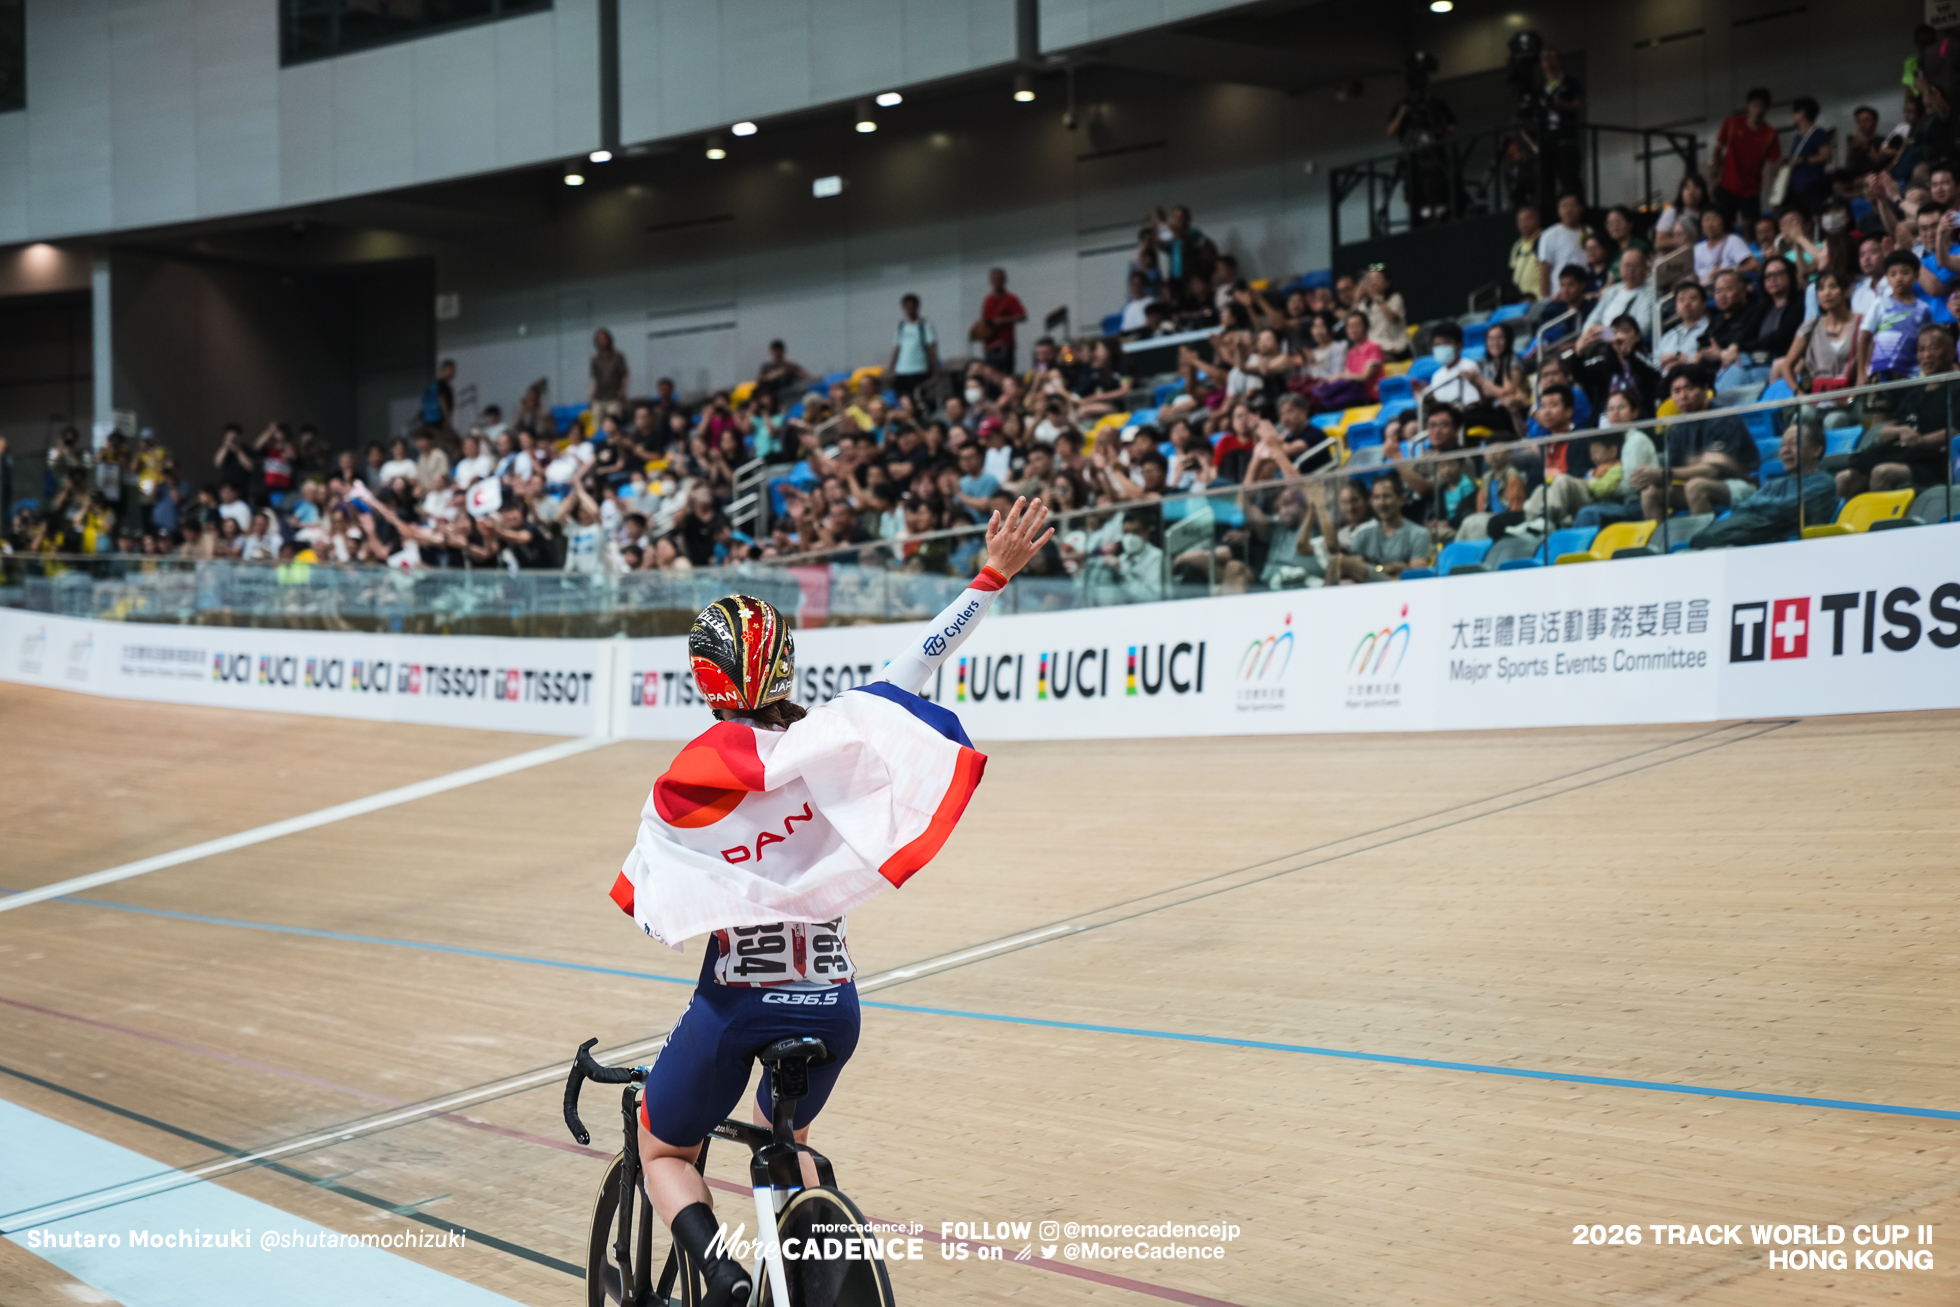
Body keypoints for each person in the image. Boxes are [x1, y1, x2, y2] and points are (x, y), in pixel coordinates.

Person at [614, 500, 1055, 1307]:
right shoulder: (836, 738)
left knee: (663, 1147)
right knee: (792, 1138)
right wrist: (991, 577)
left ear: (704, 682)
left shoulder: (683, 783)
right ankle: (806, 1229)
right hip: (835, 1003)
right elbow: (918, 659)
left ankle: (721, 1279)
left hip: (737, 1003)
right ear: (785, 665)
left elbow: (653, 904)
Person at [1840, 322, 1960, 497]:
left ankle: (1880, 524)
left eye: (1933, 349)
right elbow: (1884, 431)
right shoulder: (1914, 390)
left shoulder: (1956, 387)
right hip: (1905, 453)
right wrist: (1899, 430)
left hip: (1937, 462)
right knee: (1845, 478)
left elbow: (1956, 431)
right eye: (1921, 349)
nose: (1926, 355)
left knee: (1882, 473)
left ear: (1951, 353)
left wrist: (1921, 441)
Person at [1635, 365, 1761, 519]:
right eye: (1676, 391)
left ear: (1705, 388)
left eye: (1689, 388)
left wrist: (1663, 474)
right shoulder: (1679, 426)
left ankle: (1703, 542)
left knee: (1696, 486)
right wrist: (1647, 477)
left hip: (1741, 484)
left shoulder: (1724, 417)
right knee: (1650, 493)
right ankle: (1659, 542)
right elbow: (1672, 466)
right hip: (1696, 483)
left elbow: (1712, 470)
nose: (1683, 396)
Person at [1690, 422, 1835, 548]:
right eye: (1783, 445)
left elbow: (1790, 508)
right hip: (1751, 542)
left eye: (1794, 443)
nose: (1785, 450)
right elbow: (1740, 507)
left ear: (1817, 450)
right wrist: (1774, 511)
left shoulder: (1824, 483)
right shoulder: (1774, 485)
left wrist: (1764, 509)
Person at [1772, 268, 1860, 391]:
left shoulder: (1862, 324)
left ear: (1847, 291)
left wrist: (1855, 396)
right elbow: (1787, 365)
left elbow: (1865, 368)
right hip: (1816, 397)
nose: (1826, 293)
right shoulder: (1810, 326)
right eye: (1821, 288)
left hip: (1848, 395)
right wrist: (1798, 392)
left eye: (1833, 287)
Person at [1856, 250, 1935, 384]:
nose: (1899, 278)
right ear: (1887, 277)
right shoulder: (1879, 304)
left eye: (1905, 272)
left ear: (1916, 275)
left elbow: (1926, 341)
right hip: (1881, 372)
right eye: (1893, 274)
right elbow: (1864, 338)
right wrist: (1861, 373)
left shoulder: (1923, 309)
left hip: (1912, 374)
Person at [1331, 477, 1430, 582]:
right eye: (1376, 497)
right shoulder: (1362, 533)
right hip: (1369, 586)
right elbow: (1356, 569)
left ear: (1401, 499)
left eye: (1386, 496)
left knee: (1342, 563)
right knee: (1345, 579)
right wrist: (1389, 567)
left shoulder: (1418, 533)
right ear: (1371, 501)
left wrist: (1378, 569)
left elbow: (1417, 572)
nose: (1381, 503)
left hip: (1399, 586)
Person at [1709, 87, 1781, 228]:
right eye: (1755, 105)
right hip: (1727, 186)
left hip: (1751, 190)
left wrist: (1777, 189)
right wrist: (1714, 175)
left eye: (1762, 106)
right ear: (1747, 107)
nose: (1758, 110)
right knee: (1723, 227)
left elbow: (1774, 163)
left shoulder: (1770, 134)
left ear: (1766, 110)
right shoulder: (1731, 123)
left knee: (1751, 229)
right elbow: (1718, 149)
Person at [1531, 47, 1587, 205]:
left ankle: (1577, 205)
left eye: (1551, 57)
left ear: (1558, 60)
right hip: (1547, 138)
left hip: (1566, 136)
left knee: (1570, 175)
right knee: (1546, 177)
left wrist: (1558, 104)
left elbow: (1577, 104)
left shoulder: (1570, 82)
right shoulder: (1540, 89)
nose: (1548, 61)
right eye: (1544, 58)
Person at [886, 293, 939, 406]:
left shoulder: (924, 325)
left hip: (919, 369)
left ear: (917, 307)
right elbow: (897, 348)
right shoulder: (901, 326)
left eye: (912, 306)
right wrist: (890, 368)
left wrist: (934, 370)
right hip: (902, 370)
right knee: (903, 400)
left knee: (917, 399)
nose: (910, 310)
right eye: (907, 307)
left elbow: (931, 349)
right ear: (903, 308)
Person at [1785, 96, 1834, 213]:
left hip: (1812, 185)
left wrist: (1803, 160)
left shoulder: (1818, 132)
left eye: (1795, 112)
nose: (1793, 116)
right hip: (1797, 188)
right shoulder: (1797, 136)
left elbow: (1827, 155)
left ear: (1802, 113)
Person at [1536, 193, 1590, 298]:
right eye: (1564, 206)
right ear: (1558, 210)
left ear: (1581, 208)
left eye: (1572, 205)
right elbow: (1544, 270)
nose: (1568, 210)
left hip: (1585, 294)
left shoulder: (1588, 231)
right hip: (1560, 296)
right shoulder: (1549, 235)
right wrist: (1546, 300)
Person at [977, 267, 1026, 374]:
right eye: (994, 279)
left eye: (999, 279)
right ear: (990, 282)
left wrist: (1003, 320)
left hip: (1005, 345)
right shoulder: (988, 300)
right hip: (990, 346)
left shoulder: (1011, 298)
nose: (997, 282)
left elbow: (1023, 316)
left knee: (1006, 374)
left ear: (1004, 280)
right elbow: (984, 319)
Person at [1658, 280, 1713, 371]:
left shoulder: (1712, 328)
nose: (1686, 304)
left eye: (1692, 298)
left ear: (1704, 303)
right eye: (1681, 300)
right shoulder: (1667, 337)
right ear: (1676, 306)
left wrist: (1684, 363)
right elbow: (1655, 365)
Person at [1694, 208, 1758, 286]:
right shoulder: (1698, 248)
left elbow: (1754, 266)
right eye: (1706, 220)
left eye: (1714, 219)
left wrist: (1729, 270)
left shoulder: (1733, 241)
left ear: (1723, 222)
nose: (1710, 224)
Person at [1654, 174, 1710, 254]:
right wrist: (1679, 241)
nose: (1691, 192)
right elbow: (1659, 243)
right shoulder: (1672, 212)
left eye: (1696, 187)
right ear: (1681, 192)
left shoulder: (1710, 212)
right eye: (1687, 187)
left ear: (1703, 191)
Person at [590, 328, 631, 428]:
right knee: (596, 426)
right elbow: (594, 378)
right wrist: (591, 393)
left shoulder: (618, 356)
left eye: (604, 339)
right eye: (599, 339)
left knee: (613, 425)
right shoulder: (595, 358)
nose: (602, 342)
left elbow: (625, 375)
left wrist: (623, 391)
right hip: (599, 397)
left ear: (610, 340)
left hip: (614, 397)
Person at [1510, 206, 1544, 300]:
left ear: (1537, 220)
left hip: (1541, 300)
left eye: (1527, 219)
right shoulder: (1517, 246)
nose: (1524, 224)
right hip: (1523, 302)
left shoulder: (1545, 240)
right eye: (1520, 221)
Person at [421, 359, 457, 442]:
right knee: (453, 443)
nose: (454, 373)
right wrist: (448, 418)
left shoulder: (435, 384)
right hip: (439, 422)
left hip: (430, 421)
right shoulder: (442, 384)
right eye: (452, 370)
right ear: (446, 370)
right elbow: (442, 400)